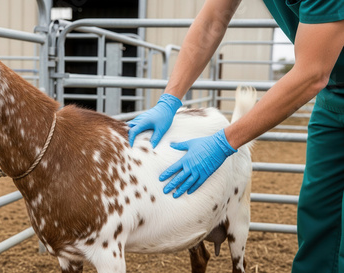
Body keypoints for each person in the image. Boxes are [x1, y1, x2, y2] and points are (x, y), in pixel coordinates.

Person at [127, 0, 344, 272]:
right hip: (334, 95)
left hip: (324, 77)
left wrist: (223, 142)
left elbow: (311, 73)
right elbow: (211, 21)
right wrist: (169, 99)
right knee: (319, 216)